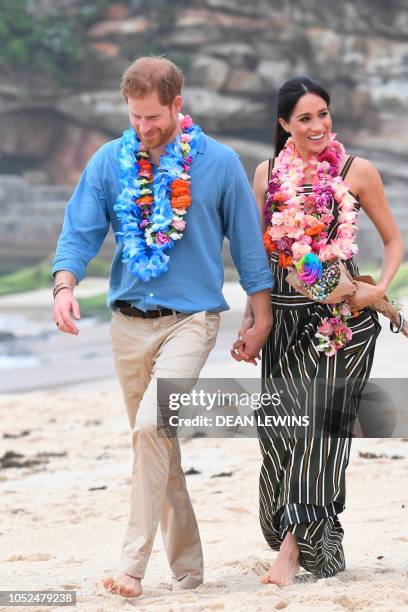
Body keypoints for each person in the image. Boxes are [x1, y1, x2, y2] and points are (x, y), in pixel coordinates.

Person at [52, 56, 274, 598]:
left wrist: (261, 314)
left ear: (178, 104)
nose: (144, 129)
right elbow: (79, 230)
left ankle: (132, 565)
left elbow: (248, 248)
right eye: (135, 119)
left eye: (153, 117)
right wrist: (63, 285)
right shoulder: (110, 161)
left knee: (152, 428)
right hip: (127, 325)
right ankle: (190, 570)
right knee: (157, 443)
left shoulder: (219, 164)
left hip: (192, 322)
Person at [232, 77, 404, 585]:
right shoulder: (266, 174)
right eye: (304, 118)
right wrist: (253, 318)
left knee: (319, 430)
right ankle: (317, 544)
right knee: (279, 433)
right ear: (284, 123)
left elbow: (394, 242)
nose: (317, 126)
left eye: (323, 114)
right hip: (284, 319)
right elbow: (259, 257)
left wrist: (379, 290)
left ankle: (291, 548)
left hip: (342, 323)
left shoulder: (356, 171)